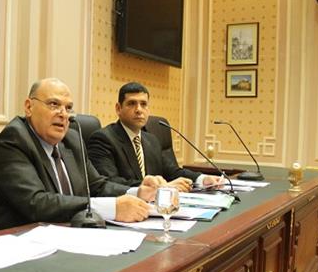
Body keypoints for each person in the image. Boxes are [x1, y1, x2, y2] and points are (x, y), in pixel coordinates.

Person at [0, 78, 153, 234]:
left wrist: (137, 192)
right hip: (8, 239)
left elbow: (97, 186)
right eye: (54, 104)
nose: (63, 114)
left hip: (62, 234)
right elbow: (36, 203)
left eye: (68, 108)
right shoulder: (14, 139)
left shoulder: (72, 140)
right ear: (29, 107)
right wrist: (111, 208)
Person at [88, 82, 222, 193]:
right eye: (131, 103)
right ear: (118, 109)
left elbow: (172, 172)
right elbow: (109, 182)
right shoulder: (103, 139)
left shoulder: (151, 140)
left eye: (143, 104)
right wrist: (159, 188)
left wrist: (202, 179)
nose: (139, 110)